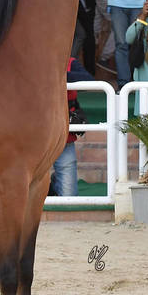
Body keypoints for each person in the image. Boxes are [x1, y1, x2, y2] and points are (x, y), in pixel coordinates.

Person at [50, 57, 94, 196]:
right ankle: (51, 185)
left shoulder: (69, 62)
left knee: (69, 196)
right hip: (33, 140)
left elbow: (89, 80)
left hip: (63, 138)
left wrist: (58, 75)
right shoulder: (29, 61)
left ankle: (55, 183)